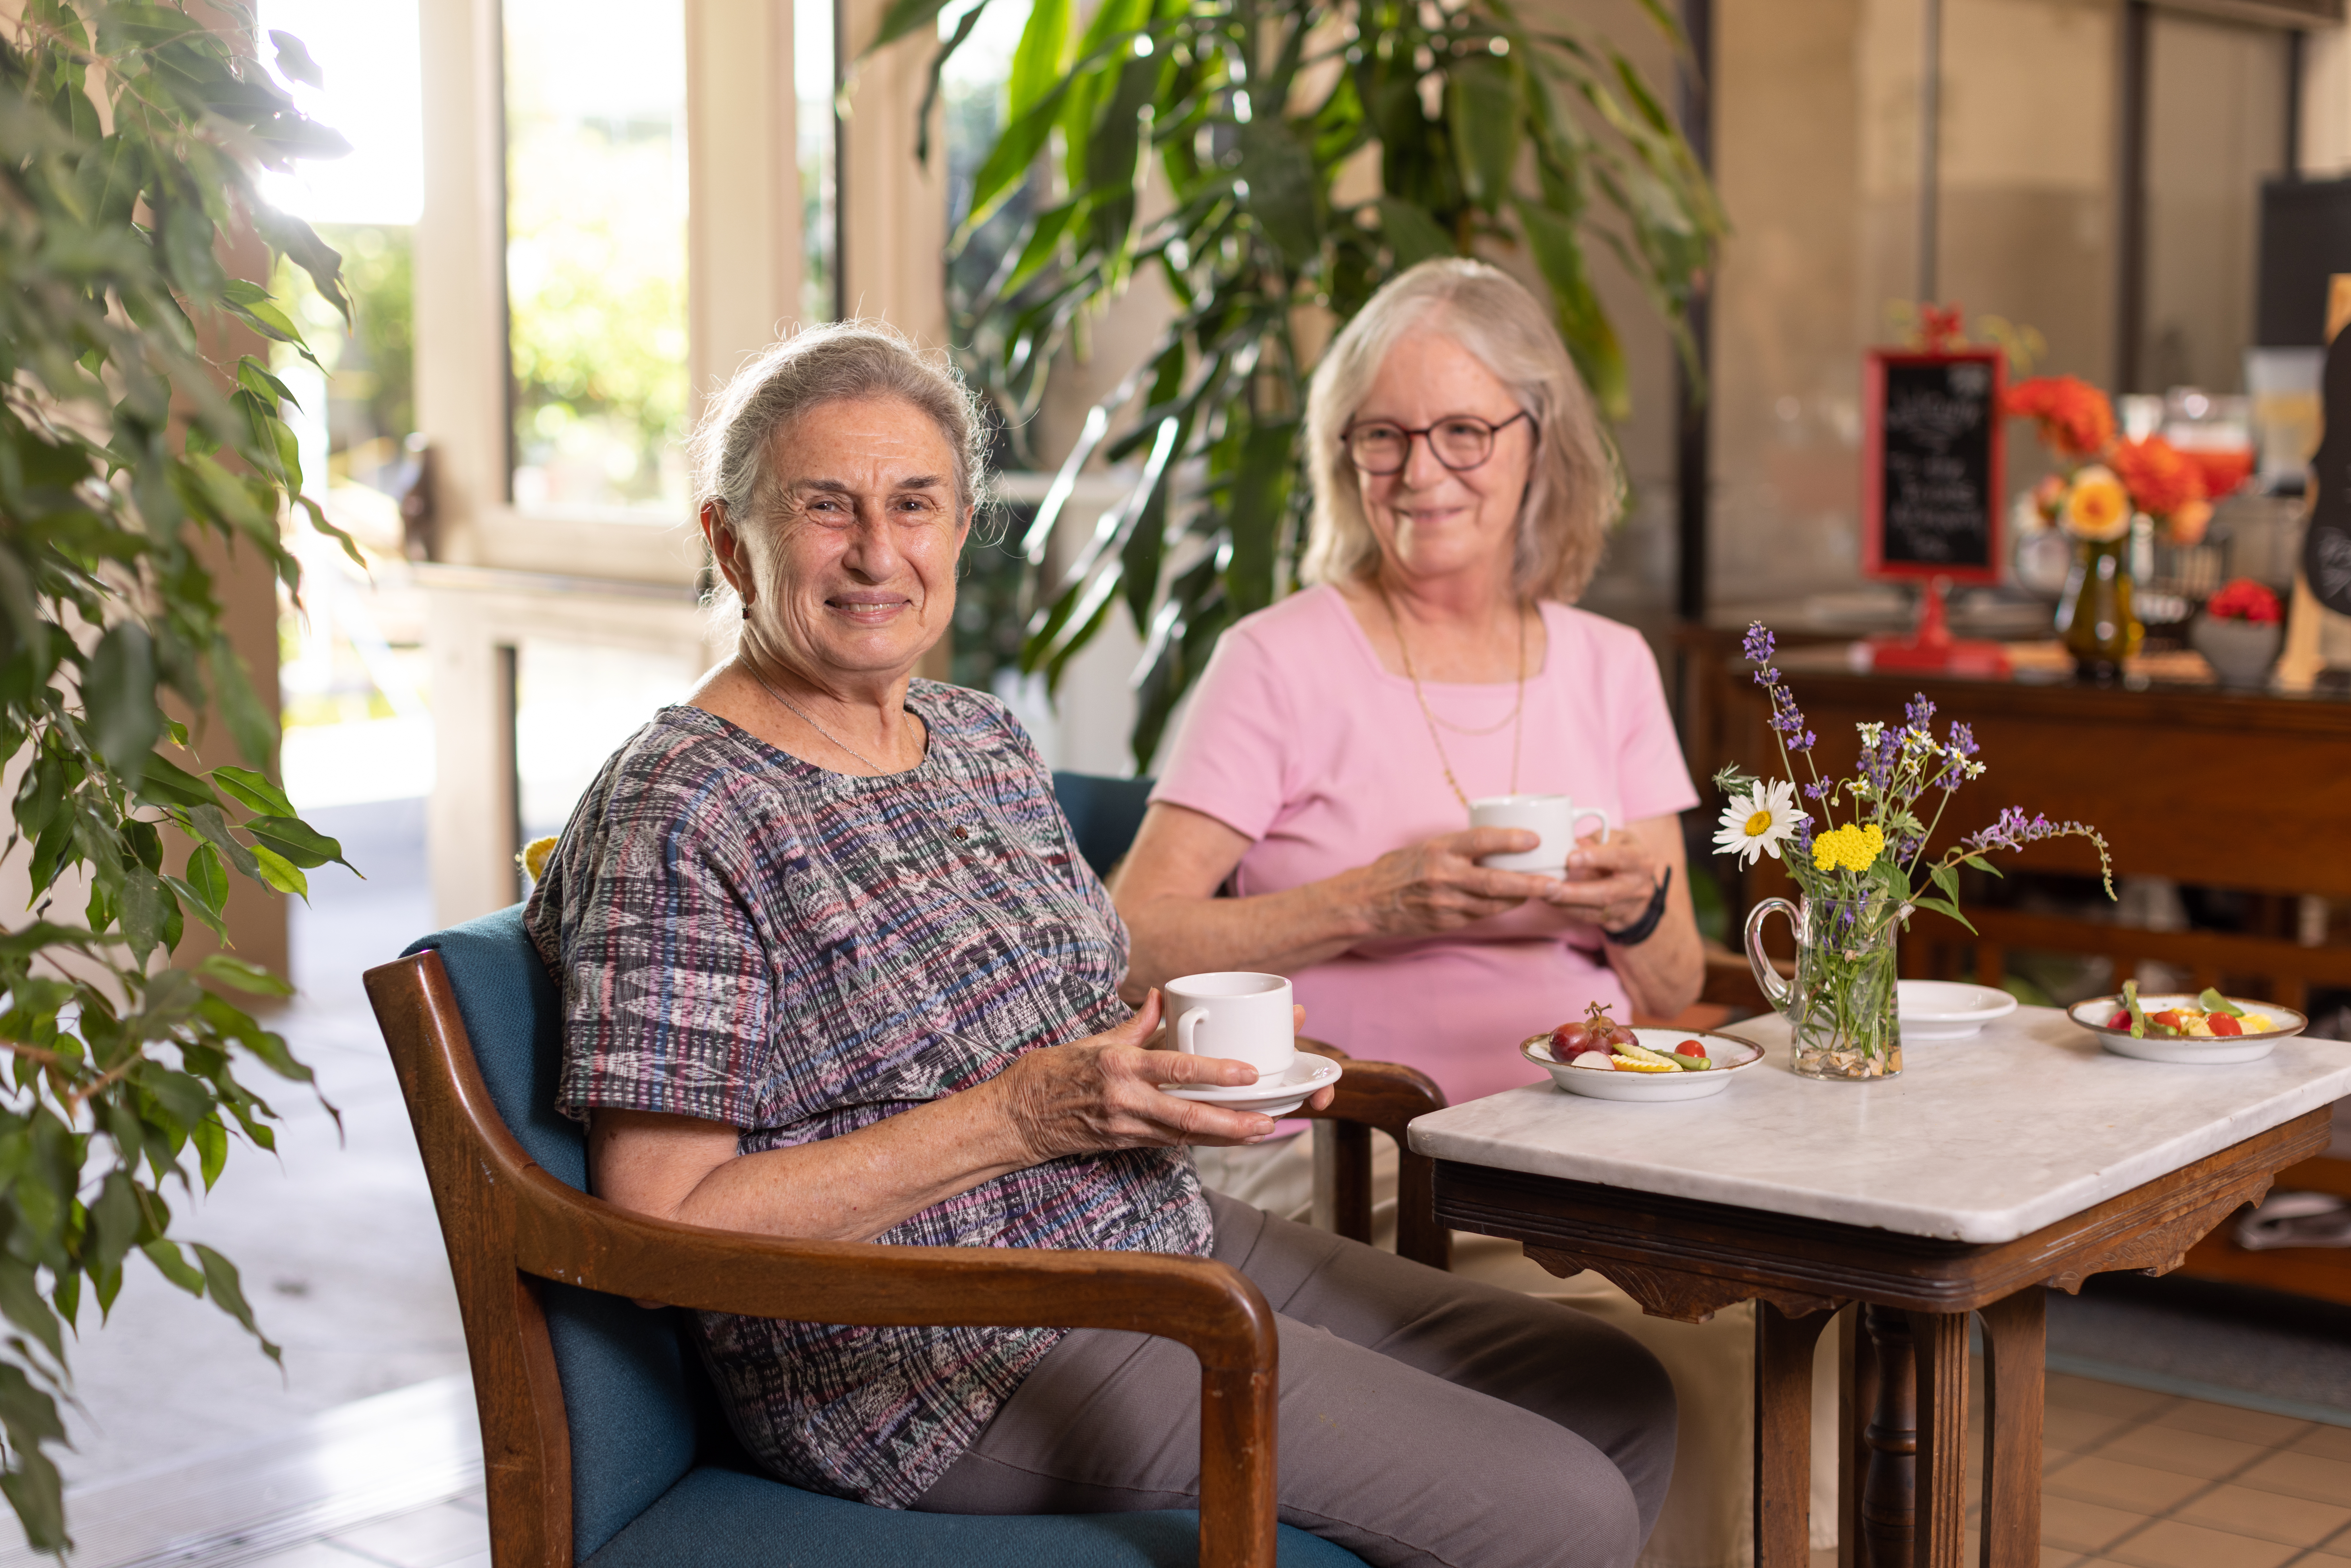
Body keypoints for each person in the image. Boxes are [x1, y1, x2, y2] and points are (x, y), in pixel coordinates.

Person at [524, 321, 1677, 1568]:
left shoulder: (977, 740)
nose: (875, 552)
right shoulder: (684, 805)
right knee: (1556, 1507)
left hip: (1139, 1234)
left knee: (1613, 1386)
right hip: (929, 1355)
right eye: (823, 507)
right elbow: (662, 1226)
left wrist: (1177, 1066)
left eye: (914, 504)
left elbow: (1080, 1007)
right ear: (727, 541)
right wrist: (1017, 1118)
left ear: (960, 531)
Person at [1115, 258, 1834, 1568]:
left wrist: (1639, 900)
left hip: (1593, 1154)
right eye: (1382, 435)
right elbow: (1133, 933)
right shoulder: (1278, 658)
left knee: (1787, 1337)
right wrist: (1370, 904)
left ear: (1534, 440)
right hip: (1367, 1166)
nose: (1420, 470)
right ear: (1346, 458)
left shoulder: (1608, 663)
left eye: (1460, 430)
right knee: (1698, 1367)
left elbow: (1671, 981)